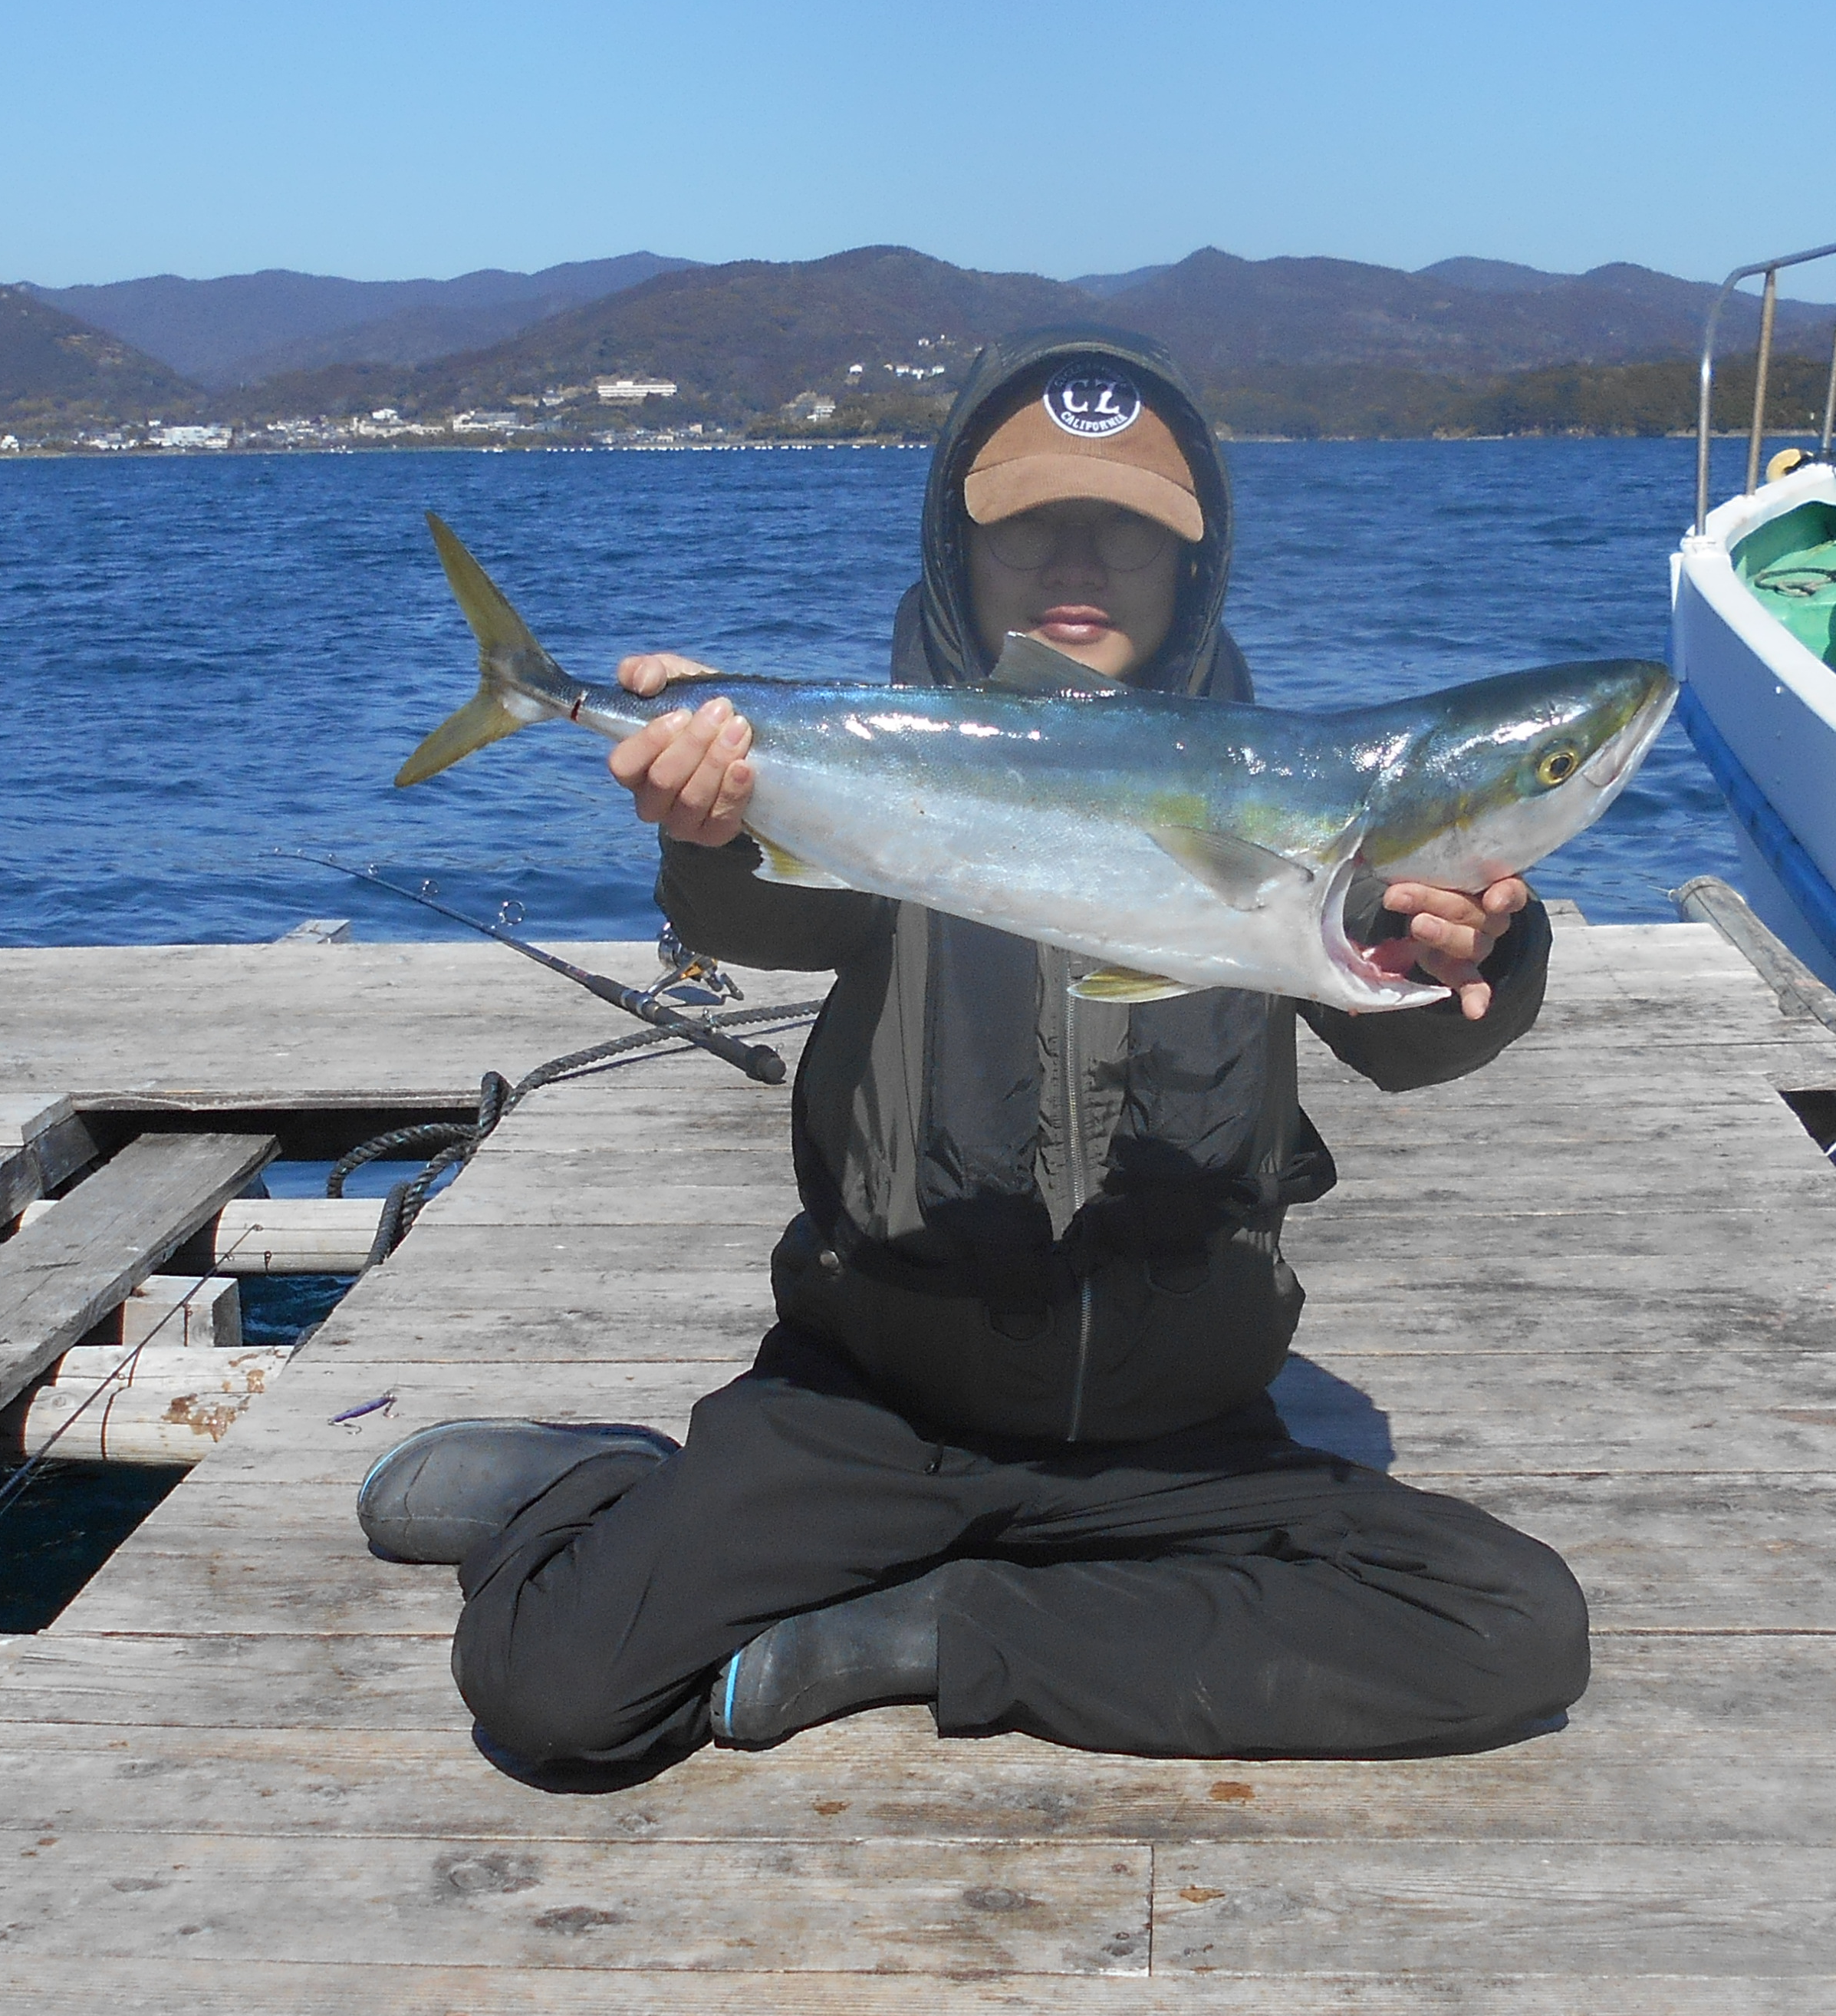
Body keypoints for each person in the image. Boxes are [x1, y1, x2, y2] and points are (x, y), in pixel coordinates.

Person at [355, 326, 1586, 1777]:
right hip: (877, 1413)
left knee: (1516, 1625)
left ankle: (930, 1631)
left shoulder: (1293, 795)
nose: (1077, 569)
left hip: (1183, 1435)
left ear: (1194, 566)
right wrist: (712, 822)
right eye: (1029, 531)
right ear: (957, 549)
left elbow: (1417, 1046)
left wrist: (1486, 960)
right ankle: (618, 1486)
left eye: (1124, 536)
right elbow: (761, 915)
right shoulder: (887, 776)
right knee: (558, 1697)